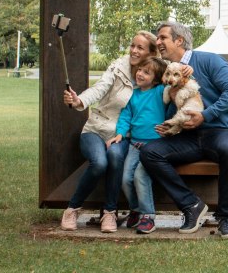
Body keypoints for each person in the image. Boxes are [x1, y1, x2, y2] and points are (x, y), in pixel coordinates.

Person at [140, 21, 228, 238]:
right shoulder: (168, 73)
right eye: (157, 38)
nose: (157, 42)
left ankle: (226, 218)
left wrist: (205, 115)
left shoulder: (210, 60)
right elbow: (173, 109)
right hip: (188, 136)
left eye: (162, 37)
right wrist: (171, 125)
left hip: (220, 131)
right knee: (150, 152)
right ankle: (191, 205)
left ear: (179, 41)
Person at [60, 31, 159, 233]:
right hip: (96, 128)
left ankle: (109, 213)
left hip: (122, 134)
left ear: (150, 53)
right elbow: (99, 88)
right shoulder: (118, 67)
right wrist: (79, 100)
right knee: (99, 163)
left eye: (140, 47)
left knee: (114, 156)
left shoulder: (153, 75)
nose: (133, 50)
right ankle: (72, 208)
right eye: (132, 45)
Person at [105, 56, 168, 234]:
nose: (140, 73)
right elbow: (125, 116)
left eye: (146, 72)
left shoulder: (160, 92)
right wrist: (120, 134)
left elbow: (174, 83)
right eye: (139, 69)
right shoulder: (132, 94)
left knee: (141, 176)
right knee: (125, 178)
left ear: (156, 79)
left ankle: (148, 216)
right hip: (134, 144)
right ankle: (136, 209)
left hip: (154, 146)